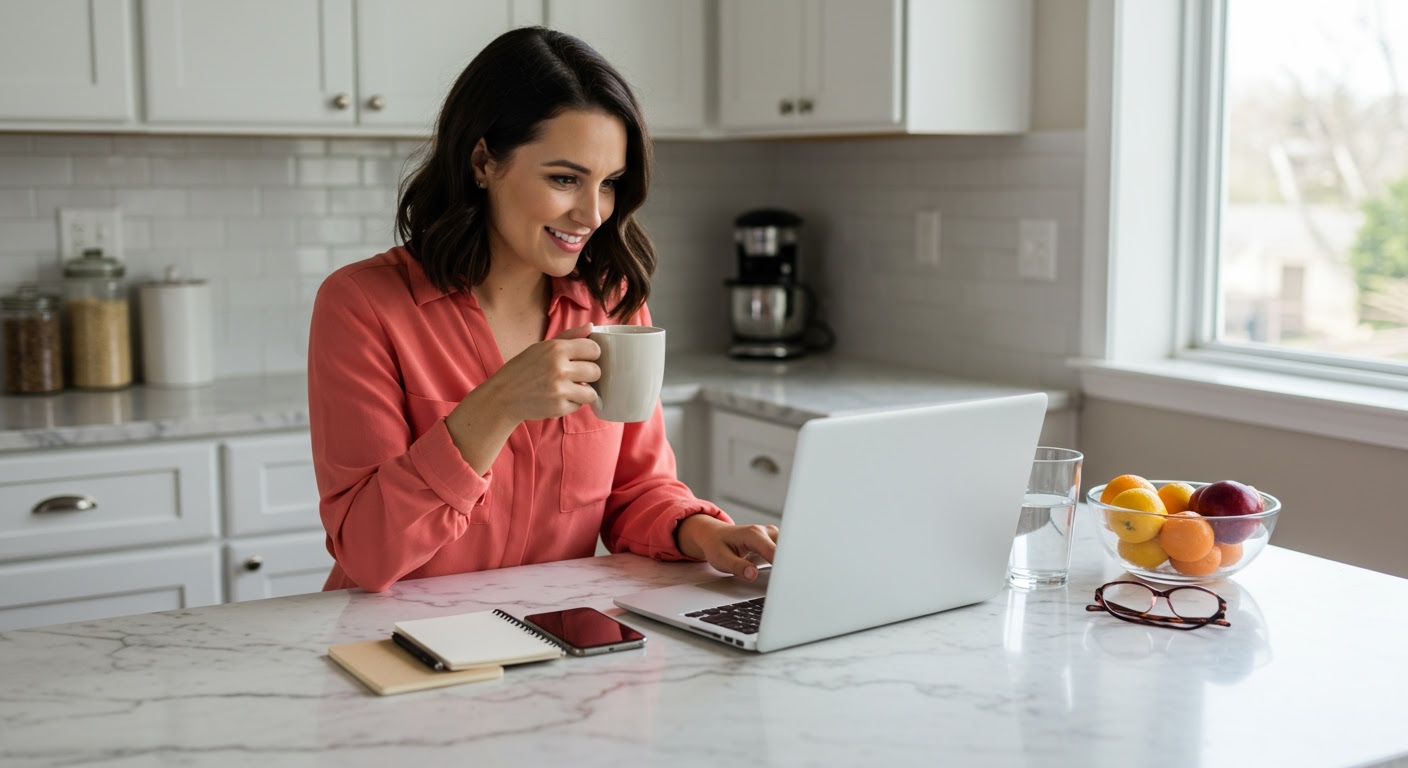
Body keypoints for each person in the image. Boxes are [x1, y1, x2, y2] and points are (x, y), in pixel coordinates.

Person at [307, 27, 777, 593]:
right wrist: (499, 404)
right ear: (483, 160)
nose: (592, 213)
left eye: (609, 184)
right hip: (400, 647)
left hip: (551, 642)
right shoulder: (362, 305)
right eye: (564, 179)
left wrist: (699, 532)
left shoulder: (612, 303)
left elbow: (635, 489)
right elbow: (367, 551)